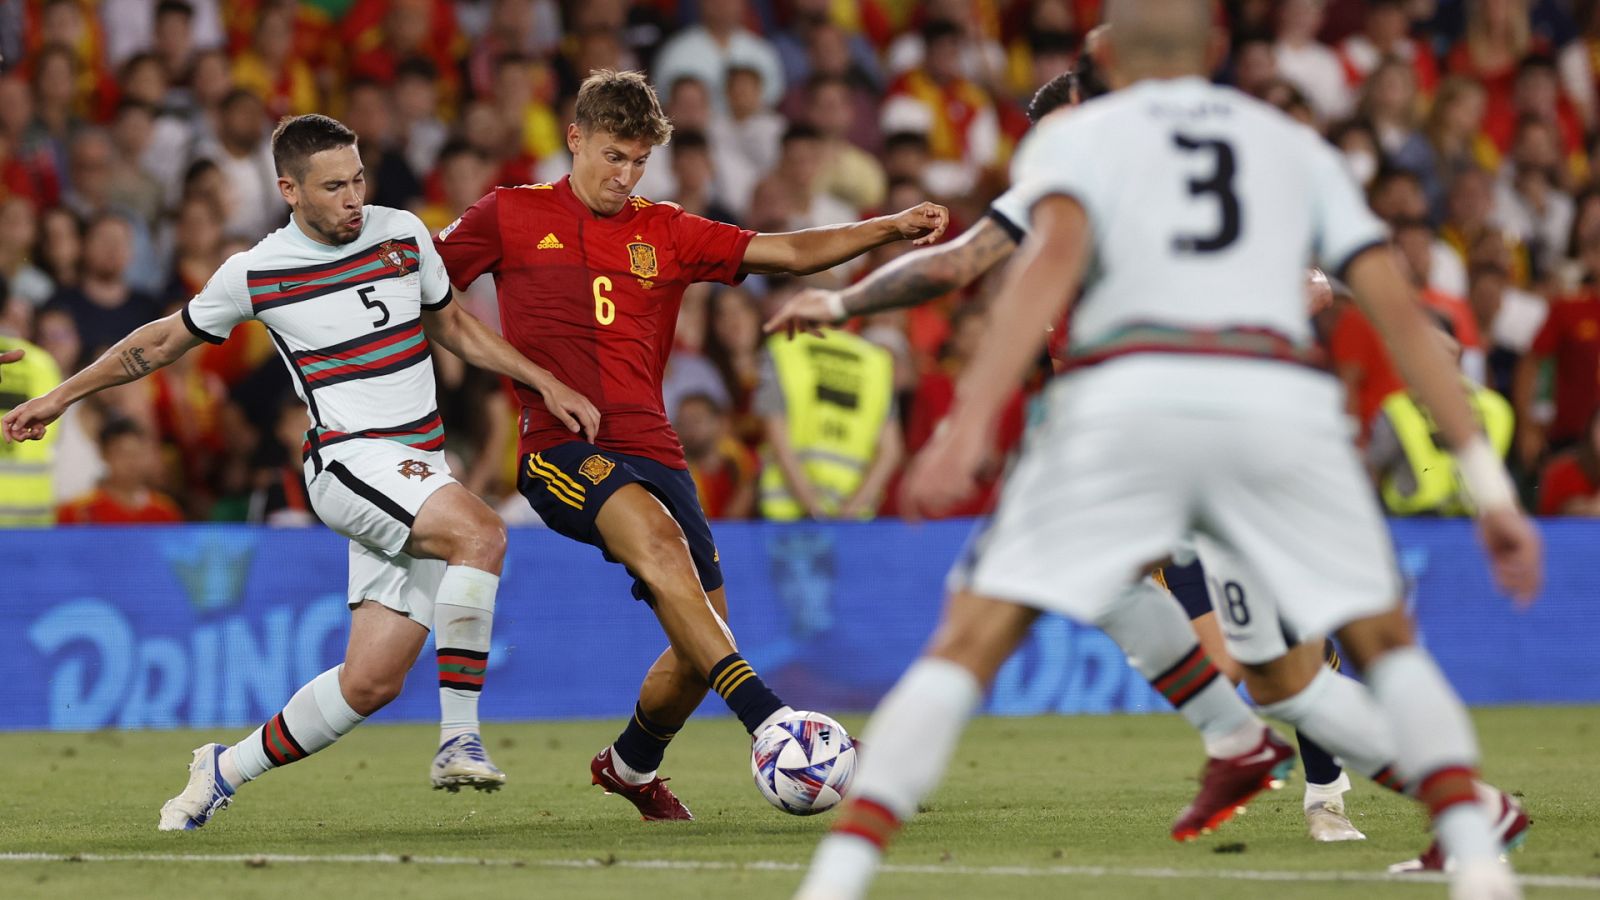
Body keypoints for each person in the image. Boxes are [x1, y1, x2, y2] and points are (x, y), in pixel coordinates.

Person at [793, 3, 1540, 899]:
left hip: (1133, 410)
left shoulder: (1082, 153)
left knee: (980, 636)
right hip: (1270, 419)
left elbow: (977, 273)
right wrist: (1490, 485)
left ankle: (835, 880)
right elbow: (1351, 280)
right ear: (1217, 52)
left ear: (1106, 63)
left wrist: (937, 397)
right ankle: (1435, 808)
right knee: (1325, 653)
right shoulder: (1281, 142)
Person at [768, 57, 1367, 845]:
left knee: (1266, 662)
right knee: (1073, 594)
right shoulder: (1058, 208)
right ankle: (1287, 757)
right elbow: (956, 267)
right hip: (1127, 453)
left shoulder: (1167, 200)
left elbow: (1312, 282)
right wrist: (848, 300)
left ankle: (1355, 778)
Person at [2, 114, 600, 827]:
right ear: (288, 189)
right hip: (349, 460)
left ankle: (222, 769)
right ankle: (458, 736)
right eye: (333, 186)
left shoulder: (402, 233)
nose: (354, 198)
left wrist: (545, 382)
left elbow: (455, 329)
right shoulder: (257, 271)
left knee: (370, 683)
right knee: (484, 535)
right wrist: (60, 395)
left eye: (358, 180)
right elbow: (160, 342)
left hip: (418, 467)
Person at [432, 68, 947, 821]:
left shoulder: (666, 229)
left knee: (701, 644)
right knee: (665, 552)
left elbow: (789, 252)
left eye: (639, 161)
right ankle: (772, 721)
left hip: (657, 451)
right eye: (613, 155)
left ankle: (631, 765)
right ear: (574, 138)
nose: (625, 175)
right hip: (562, 449)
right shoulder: (509, 214)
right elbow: (429, 297)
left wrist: (888, 227)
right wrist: (529, 376)